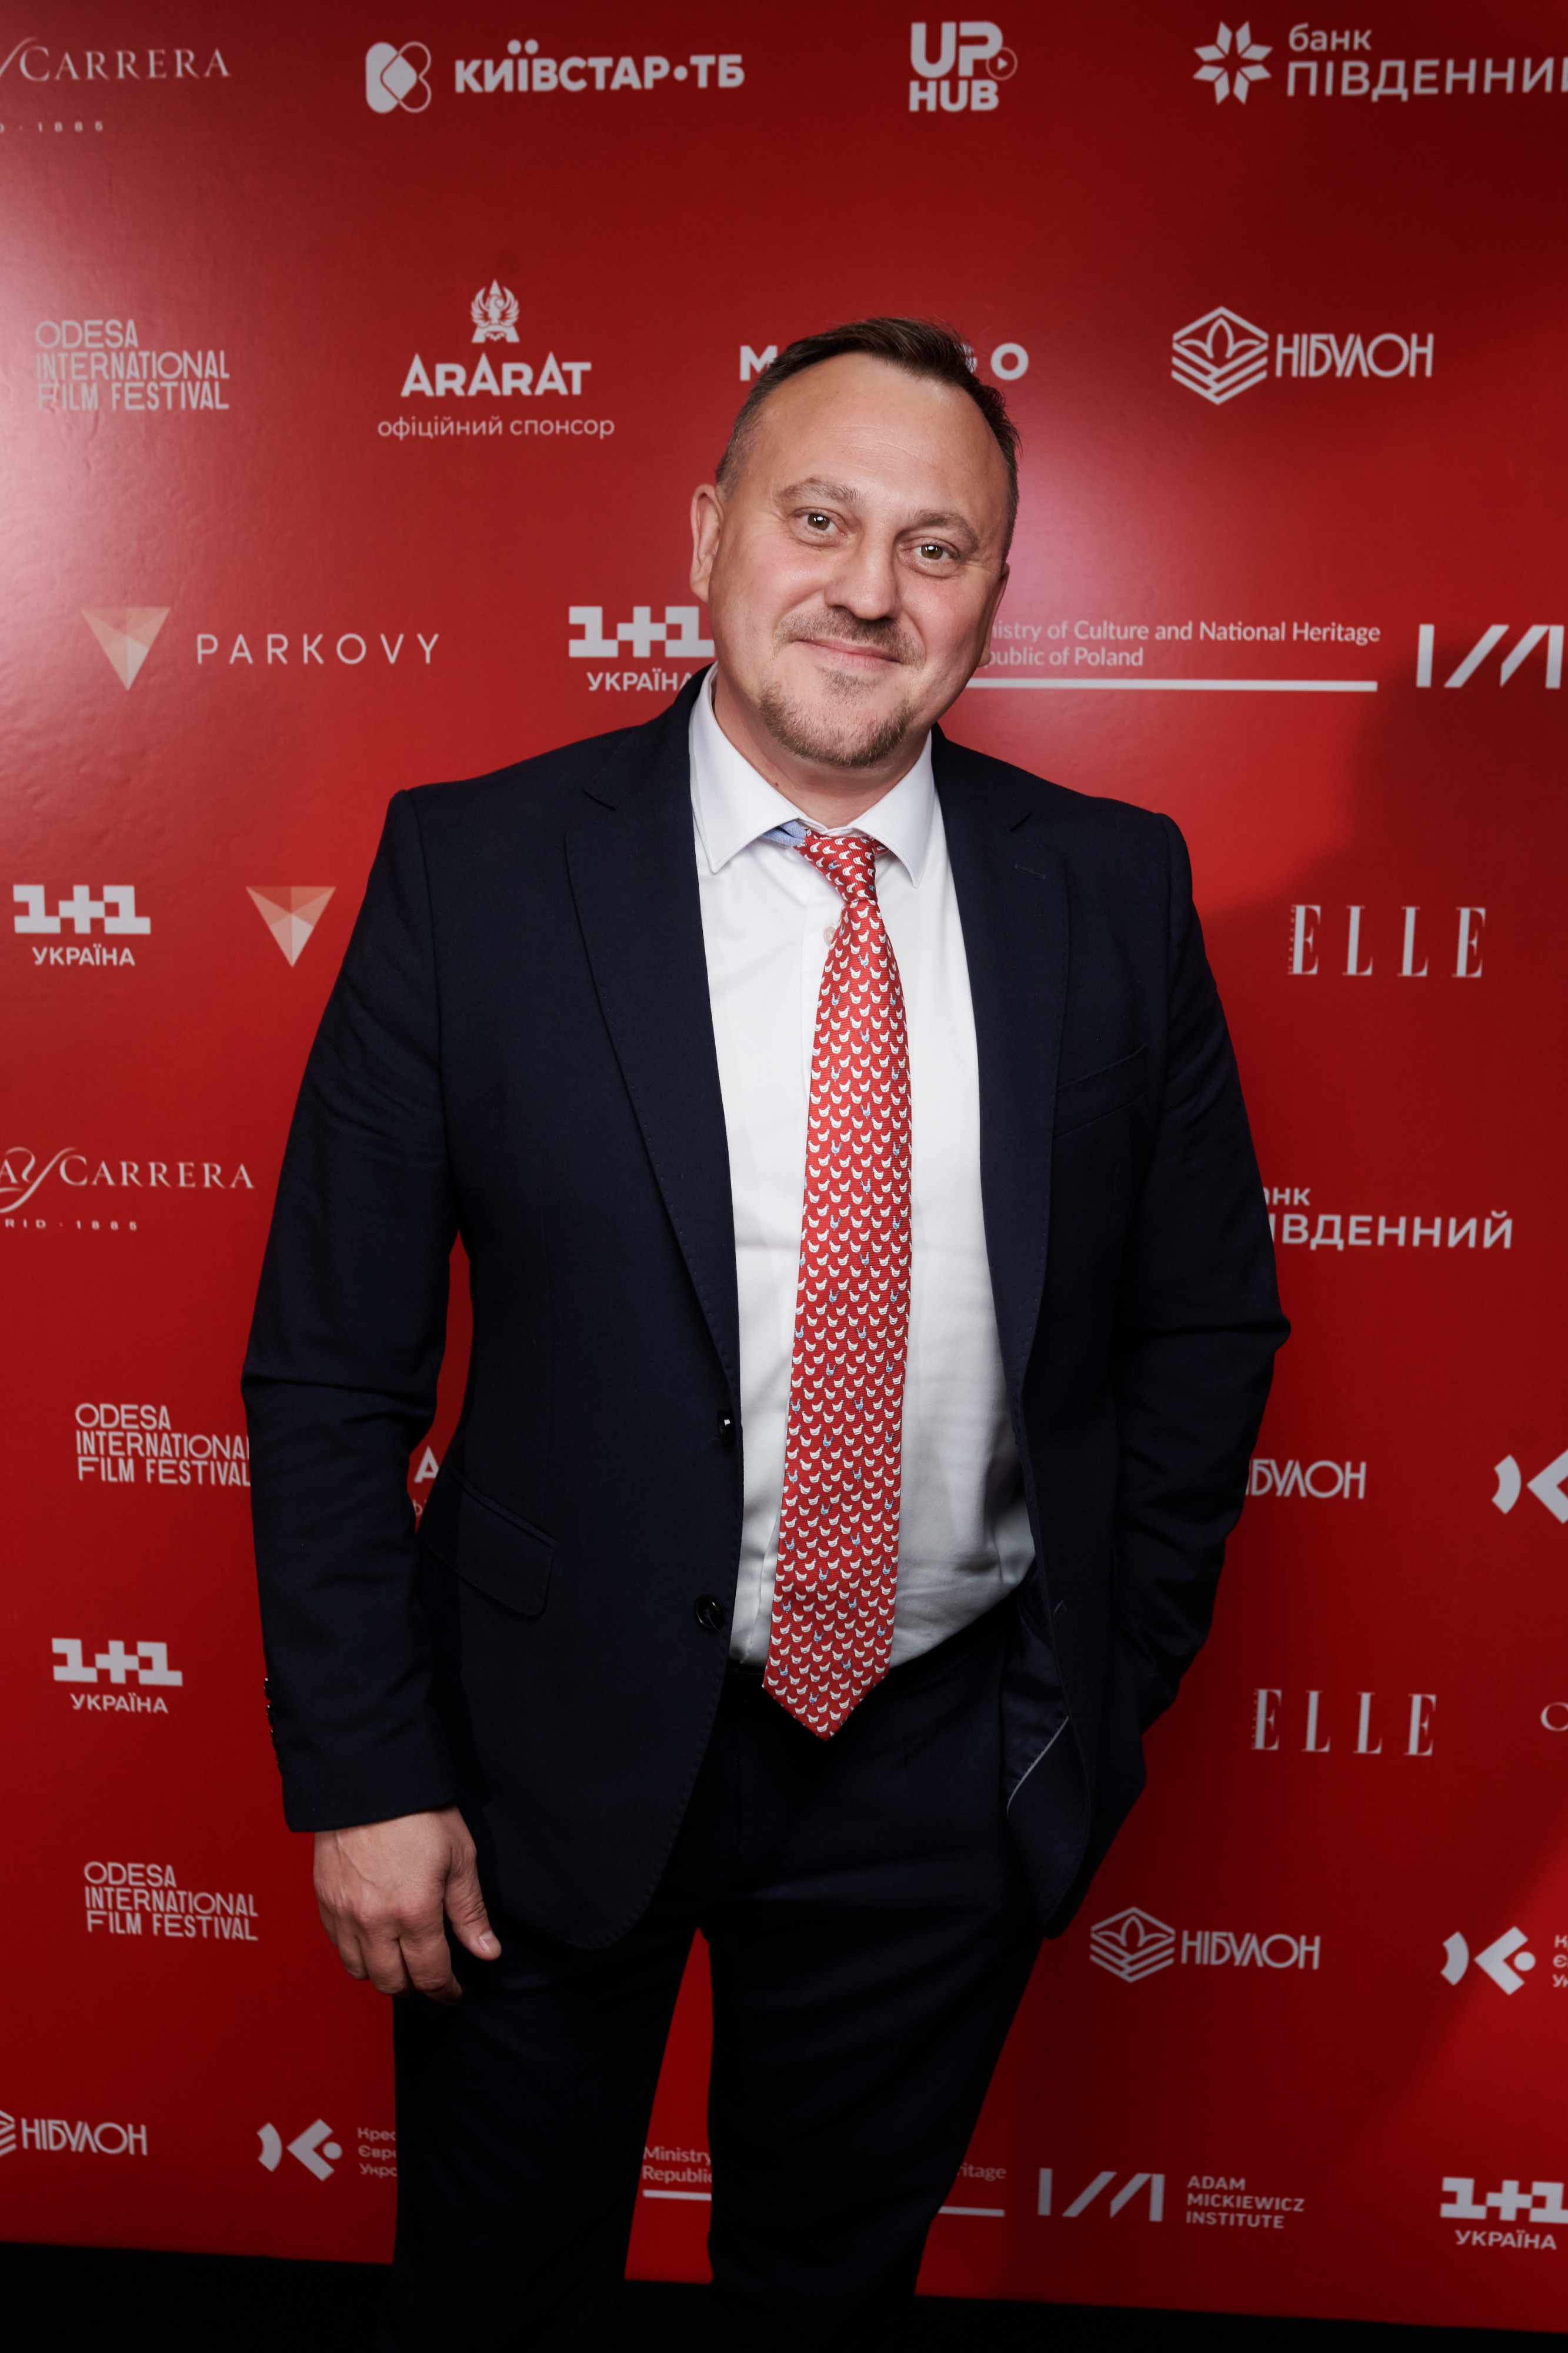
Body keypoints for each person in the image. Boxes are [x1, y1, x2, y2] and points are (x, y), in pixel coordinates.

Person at [243, 316, 1286, 2347]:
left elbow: (1201, 1328)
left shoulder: (1110, 888)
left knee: (825, 2298)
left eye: (936, 546)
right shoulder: (478, 868)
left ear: (991, 591)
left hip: (941, 1764)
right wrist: (365, 1771)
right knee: (495, 2301)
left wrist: (1091, 1691)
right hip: (533, 1757)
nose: (870, 591)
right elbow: (330, 1366)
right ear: (708, 534)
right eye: (819, 520)